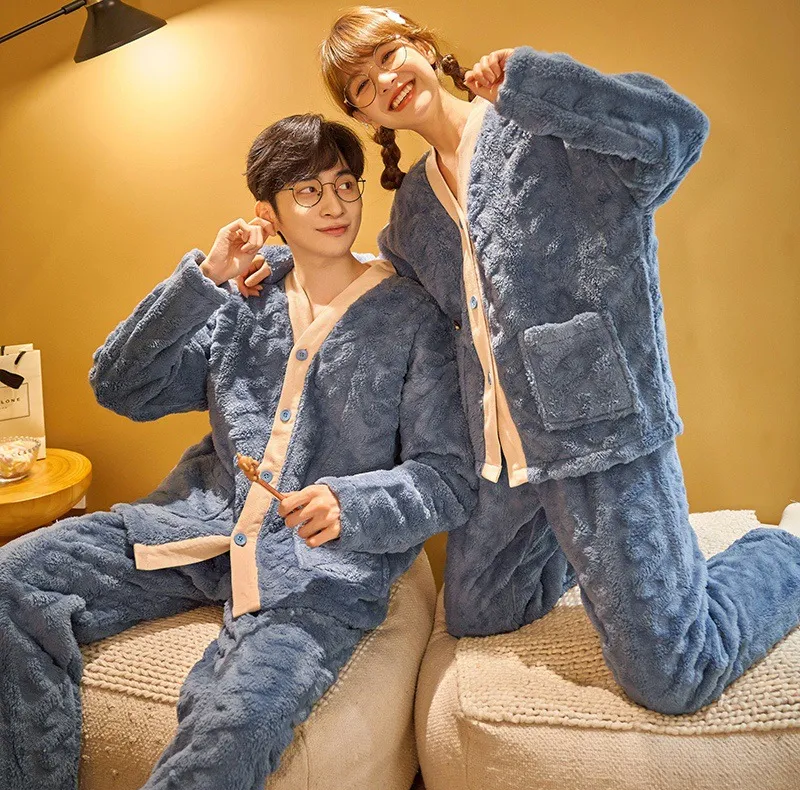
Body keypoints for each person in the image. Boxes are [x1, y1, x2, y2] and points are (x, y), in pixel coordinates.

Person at [244, 7, 800, 716]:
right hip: (504, 459)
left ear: (423, 48)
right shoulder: (413, 209)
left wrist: (541, 85)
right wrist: (278, 264)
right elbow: (384, 290)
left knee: (676, 675)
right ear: (362, 113)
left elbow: (677, 133)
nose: (383, 81)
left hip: (598, 432)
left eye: (388, 56)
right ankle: (585, 551)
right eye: (360, 85)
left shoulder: (540, 126)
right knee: (478, 613)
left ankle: (783, 554)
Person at [0, 112, 475, 790]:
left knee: (235, 727)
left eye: (345, 184)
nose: (335, 205)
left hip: (312, 571)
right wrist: (205, 278)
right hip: (195, 530)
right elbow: (121, 385)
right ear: (268, 213)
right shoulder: (240, 299)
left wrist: (351, 503)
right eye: (308, 191)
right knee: (12, 578)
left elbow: (448, 478)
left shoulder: (410, 317)